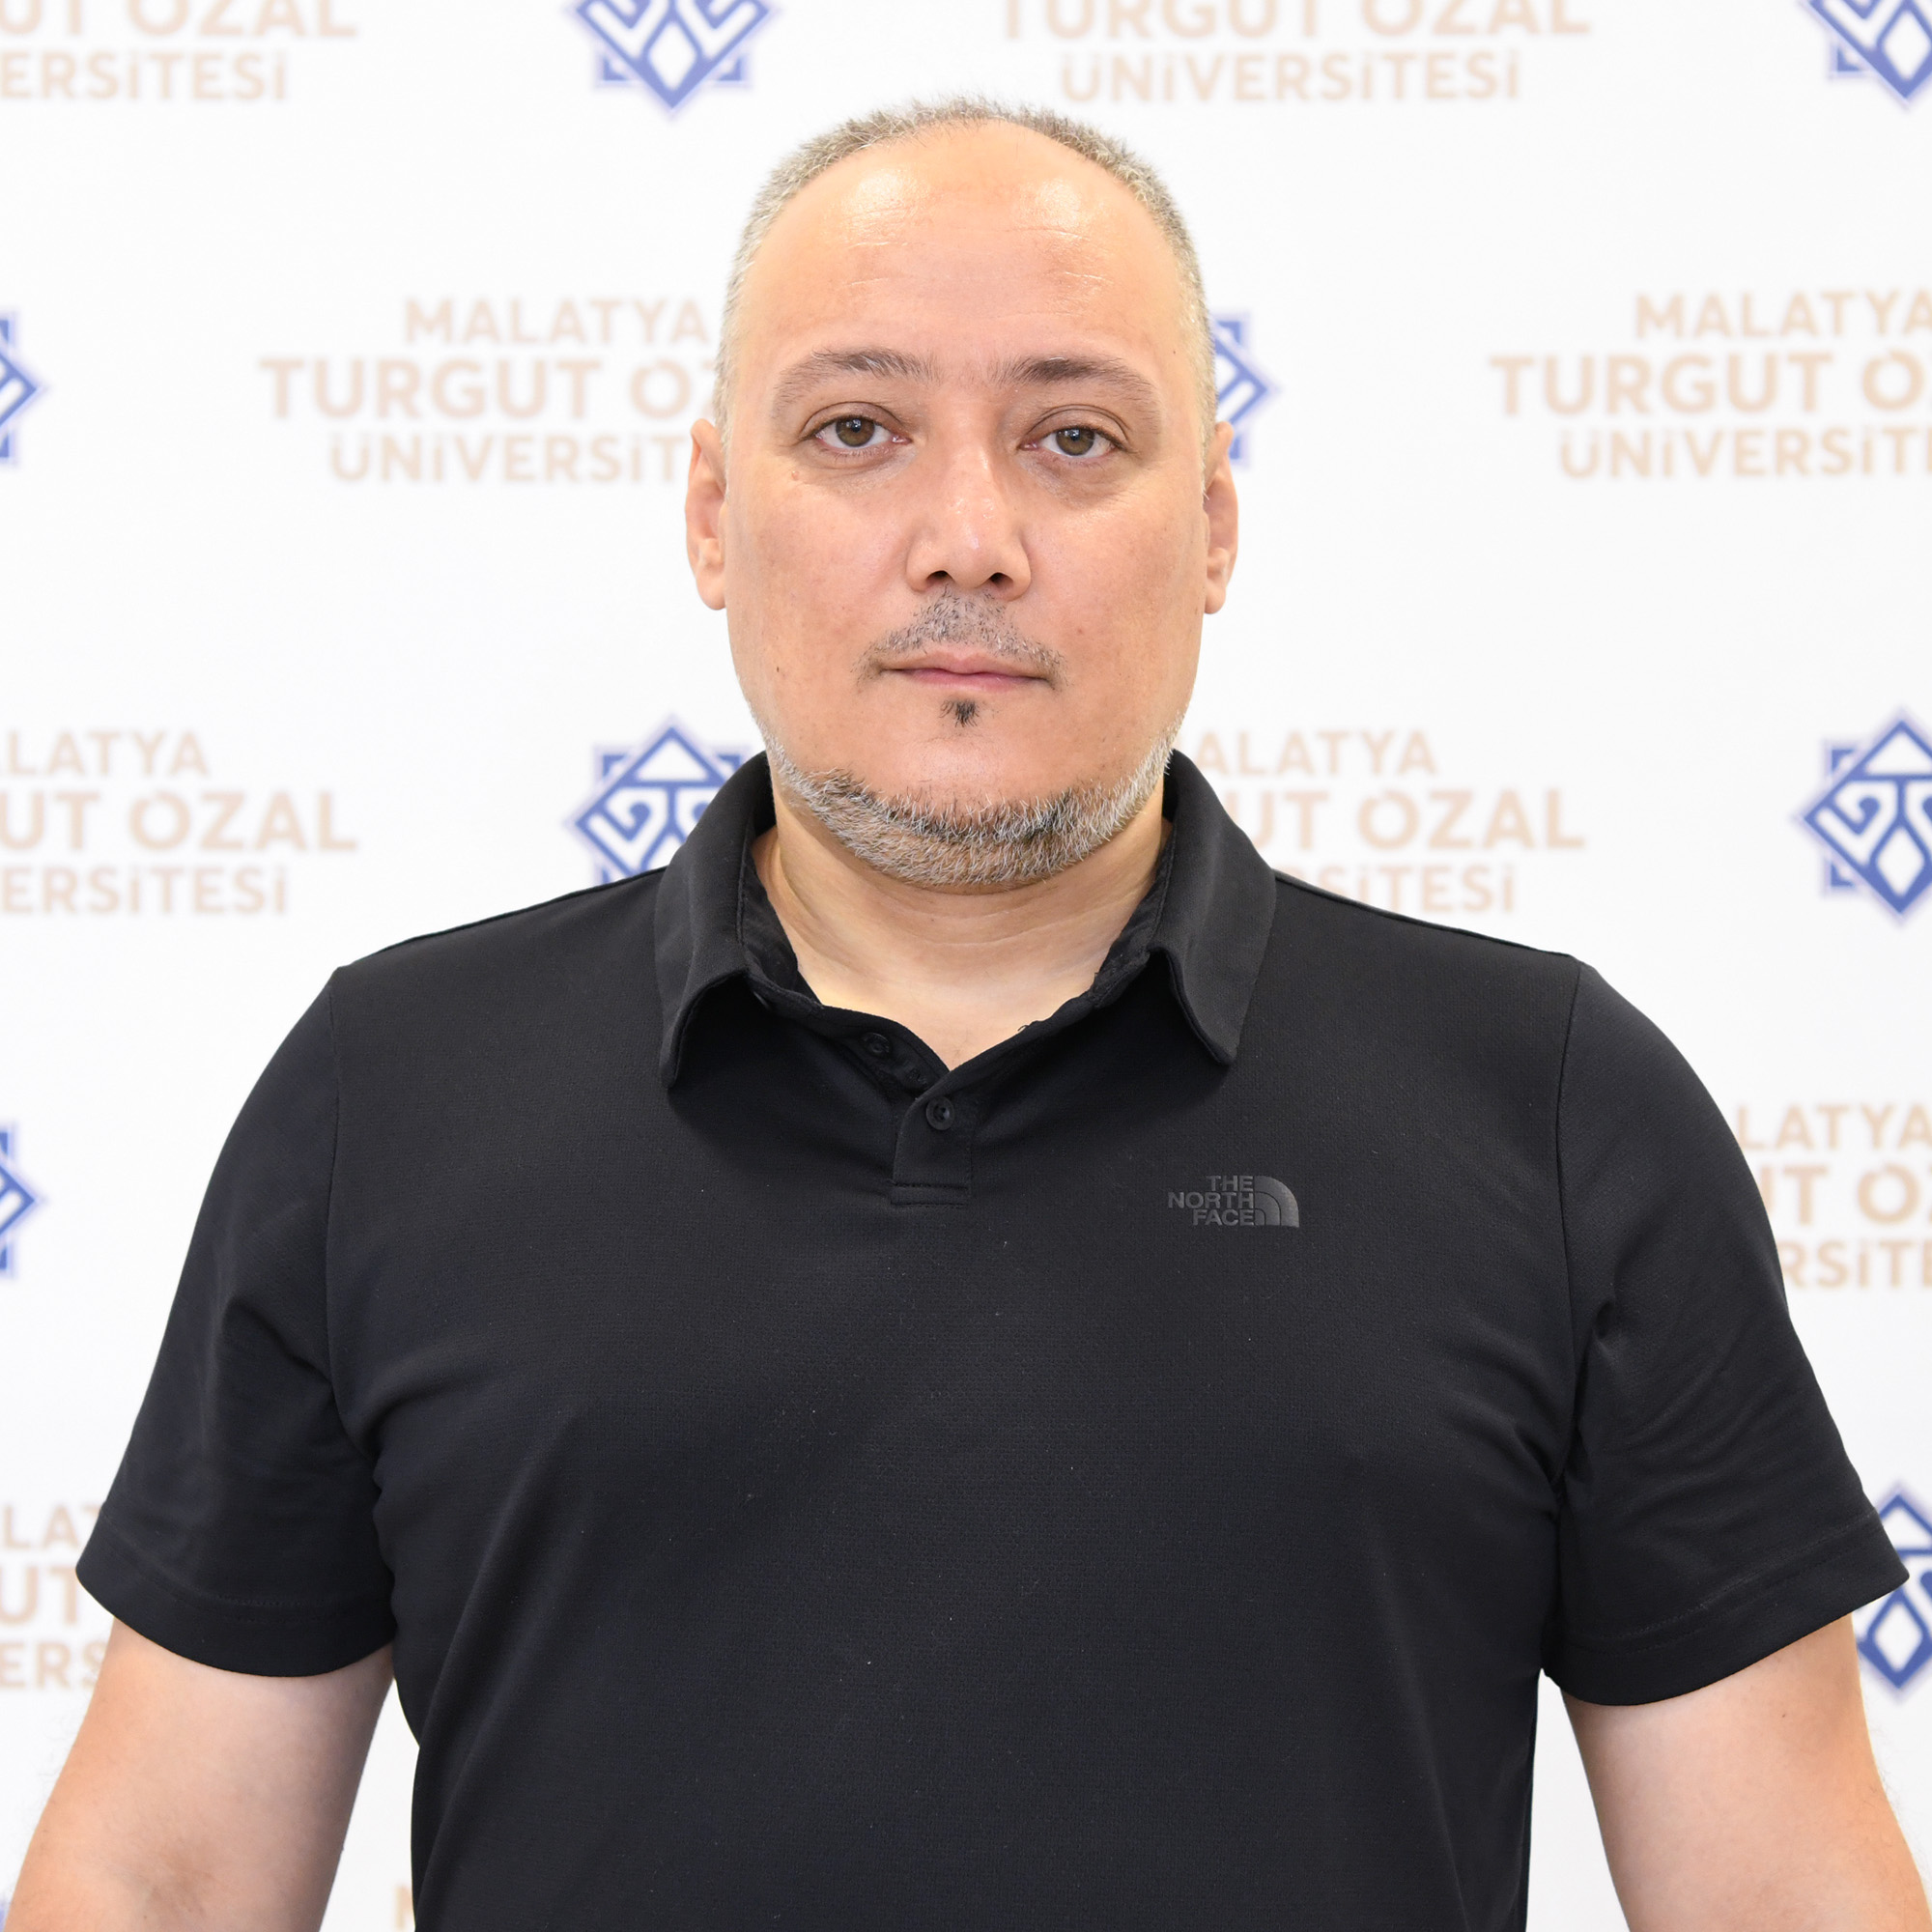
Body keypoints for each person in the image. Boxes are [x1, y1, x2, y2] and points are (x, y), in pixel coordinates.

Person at [12, 98, 1927, 1932]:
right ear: (712, 513)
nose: (966, 536)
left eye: (1075, 439)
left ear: (1213, 526)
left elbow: (1784, 1896)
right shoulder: (396, 1094)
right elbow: (162, 1881)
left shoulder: (1550, 1111)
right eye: (856, 428)